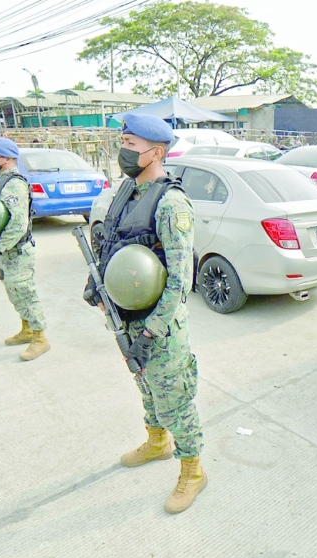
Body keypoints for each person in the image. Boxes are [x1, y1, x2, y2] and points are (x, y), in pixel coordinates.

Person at [82, 114, 206, 513]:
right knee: (146, 386)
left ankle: (193, 470)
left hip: (161, 327)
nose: (124, 151)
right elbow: (109, 243)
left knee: (175, 400)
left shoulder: (171, 203)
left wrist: (150, 335)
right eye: (124, 142)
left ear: (156, 151)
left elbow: (180, 281)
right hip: (126, 317)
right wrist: (96, 285)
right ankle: (157, 441)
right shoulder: (126, 191)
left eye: (131, 144)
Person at [0, 136, 50, 361]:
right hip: (4, 250)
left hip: (15, 250)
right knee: (14, 291)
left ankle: (40, 338)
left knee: (24, 291)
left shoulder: (14, 183)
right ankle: (27, 329)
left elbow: (19, 224)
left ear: (6, 158)